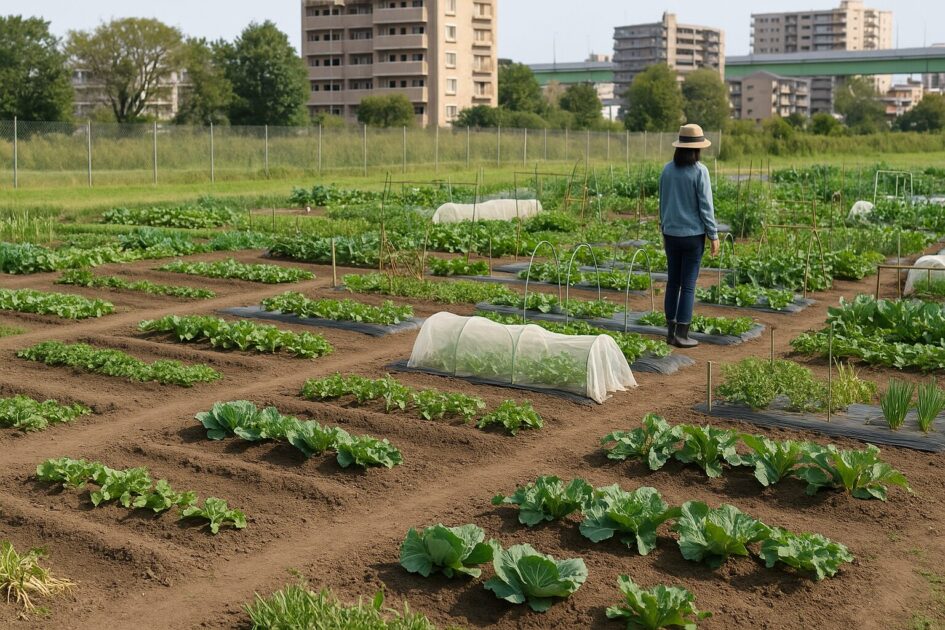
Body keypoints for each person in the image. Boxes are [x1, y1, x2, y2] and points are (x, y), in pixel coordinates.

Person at [658, 123, 720, 349]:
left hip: (671, 234)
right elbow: (706, 206)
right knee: (689, 285)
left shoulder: (667, 170)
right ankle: (682, 335)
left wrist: (663, 227)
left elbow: (662, 201)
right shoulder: (699, 171)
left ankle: (670, 332)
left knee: (673, 282)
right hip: (693, 236)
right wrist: (714, 235)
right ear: (697, 149)